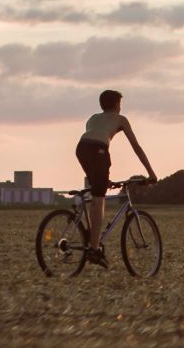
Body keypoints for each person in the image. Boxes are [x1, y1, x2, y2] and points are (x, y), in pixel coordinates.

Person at [75, 90, 157, 268]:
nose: (121, 107)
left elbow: (92, 138)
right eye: (120, 104)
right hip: (98, 149)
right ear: (115, 105)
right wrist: (151, 173)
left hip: (81, 148)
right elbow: (137, 147)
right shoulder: (121, 119)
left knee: (97, 190)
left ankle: (91, 237)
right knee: (99, 198)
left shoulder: (92, 118)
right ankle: (95, 249)